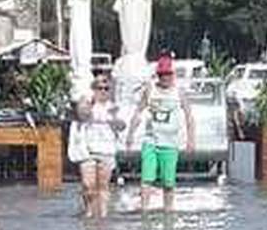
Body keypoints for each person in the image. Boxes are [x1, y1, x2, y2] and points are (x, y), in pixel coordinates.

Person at [126, 53, 195, 213]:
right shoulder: (150, 90)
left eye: (168, 74)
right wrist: (130, 135)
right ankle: (144, 211)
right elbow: (138, 112)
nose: (165, 77)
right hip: (151, 141)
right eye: (162, 74)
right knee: (146, 179)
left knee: (168, 183)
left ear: (173, 74)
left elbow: (189, 116)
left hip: (170, 144)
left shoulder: (179, 92)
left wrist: (191, 139)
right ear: (157, 75)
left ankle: (168, 212)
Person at [74, 74, 124, 218]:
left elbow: (122, 126)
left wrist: (114, 119)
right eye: (99, 88)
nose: (102, 91)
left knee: (103, 186)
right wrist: (89, 104)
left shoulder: (114, 107)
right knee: (88, 184)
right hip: (87, 150)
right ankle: (89, 210)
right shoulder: (87, 102)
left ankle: (102, 215)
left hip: (106, 150)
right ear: (93, 89)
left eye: (106, 88)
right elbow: (81, 115)